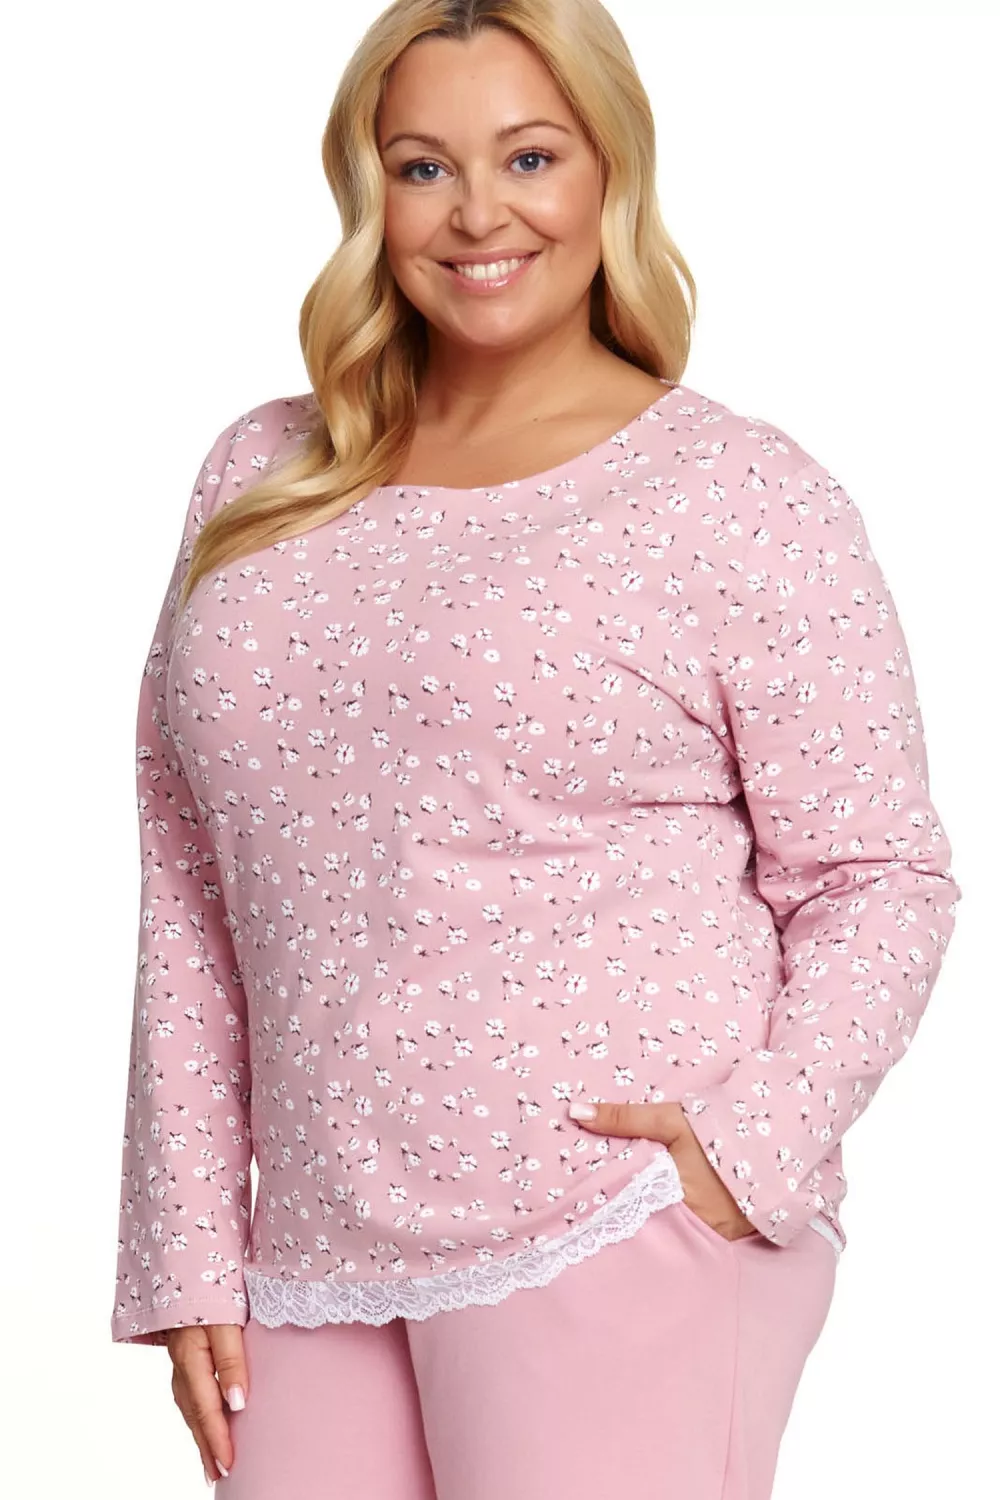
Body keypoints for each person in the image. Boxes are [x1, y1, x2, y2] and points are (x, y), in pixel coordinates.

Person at [109, 1, 963, 1496]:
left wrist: (742, 1150)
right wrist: (187, 1242)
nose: (478, 213)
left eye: (529, 156)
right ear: (369, 193)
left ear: (610, 169)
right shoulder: (261, 471)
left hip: (611, 1216)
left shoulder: (736, 495)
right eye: (423, 166)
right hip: (310, 1248)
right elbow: (190, 881)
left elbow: (879, 875)